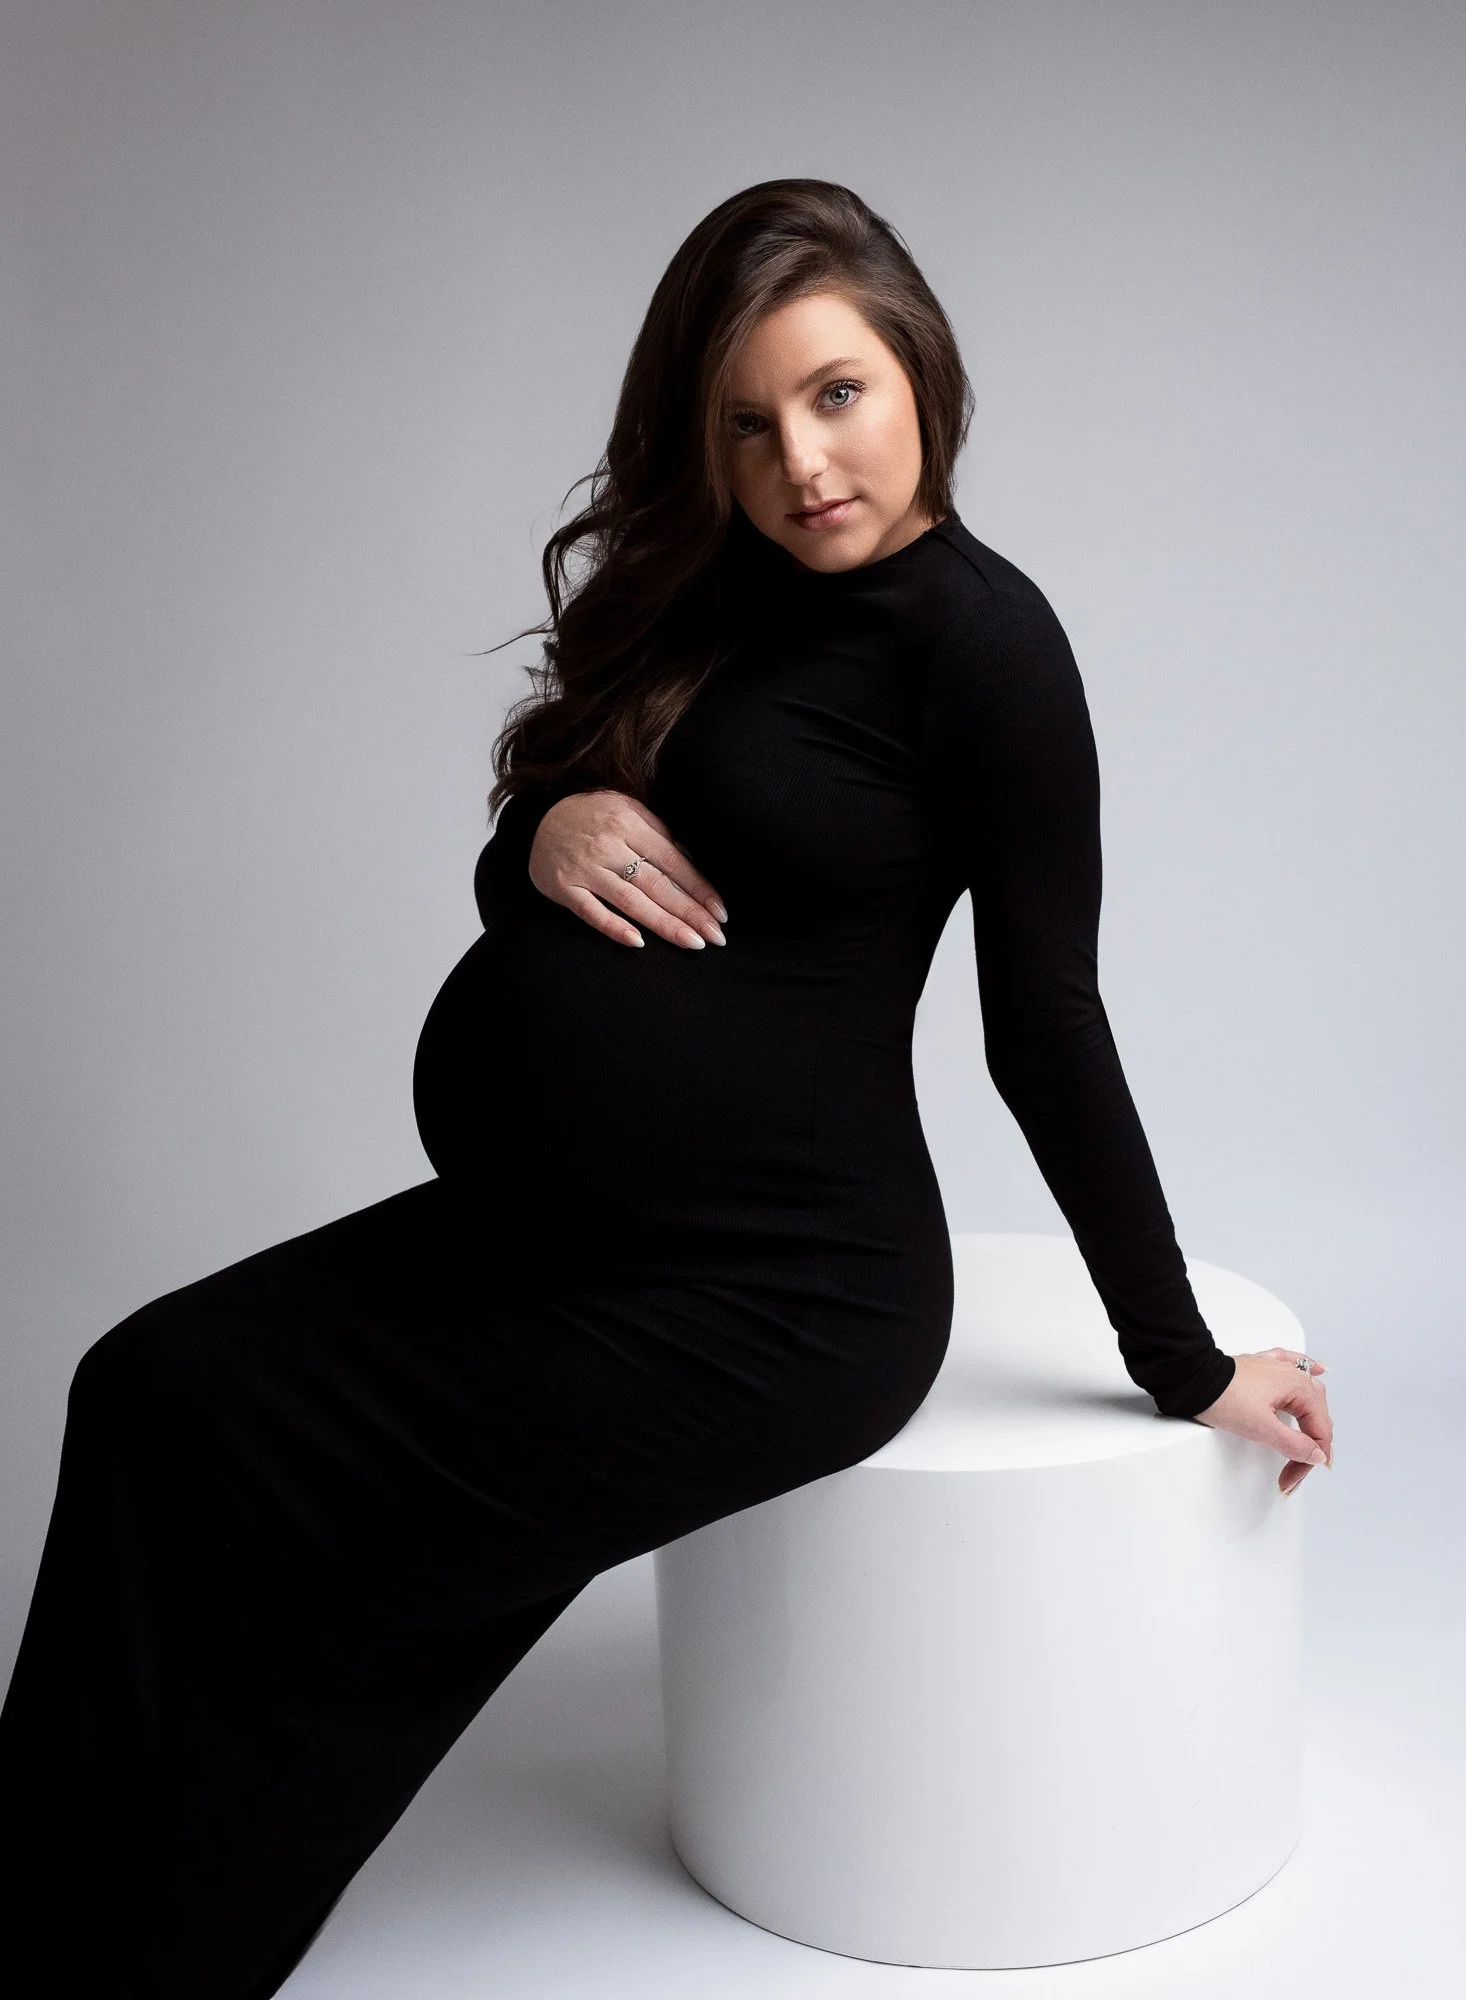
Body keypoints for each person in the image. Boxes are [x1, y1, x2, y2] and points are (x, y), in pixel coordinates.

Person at [0, 178, 1333, 1999]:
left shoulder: (987, 646)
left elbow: (1046, 1024)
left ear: (921, 370)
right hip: (564, 1238)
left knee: (339, 1575)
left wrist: (1182, 1361)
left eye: (838, 393)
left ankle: (129, 1949)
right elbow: (541, 856)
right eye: (749, 423)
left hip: (778, 1290)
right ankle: (35, 1882)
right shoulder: (718, 592)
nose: (803, 462)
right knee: (146, 1389)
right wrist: (543, 832)